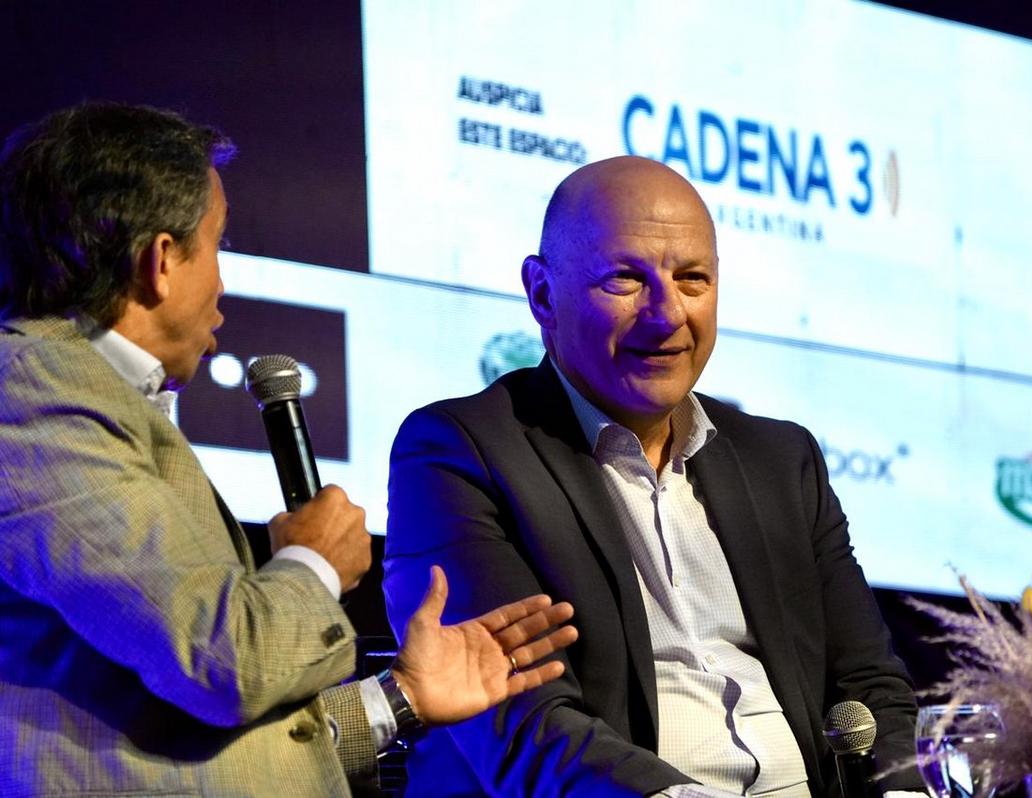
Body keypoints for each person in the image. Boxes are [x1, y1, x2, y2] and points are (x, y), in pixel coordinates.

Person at [0, 101, 576, 797]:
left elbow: (198, 730)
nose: (222, 284)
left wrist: (403, 696)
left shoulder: (92, 400)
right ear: (160, 261)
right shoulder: (33, 394)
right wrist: (313, 561)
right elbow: (226, 663)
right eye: (217, 246)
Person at [384, 155, 926, 796]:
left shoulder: (783, 461)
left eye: (692, 279)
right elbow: (524, 721)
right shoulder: (461, 451)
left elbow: (872, 685)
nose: (667, 314)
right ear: (542, 295)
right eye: (625, 280)